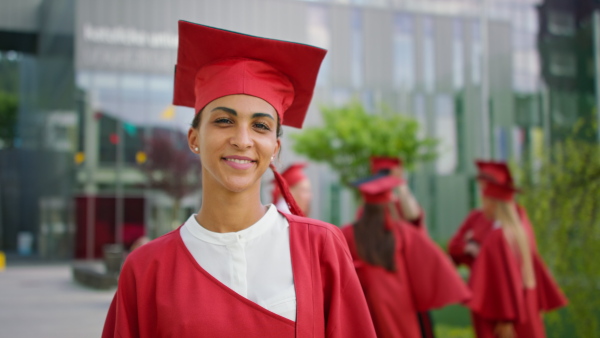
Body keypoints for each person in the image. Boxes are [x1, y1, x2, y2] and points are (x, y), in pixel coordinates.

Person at [102, 21, 376, 338]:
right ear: (194, 138)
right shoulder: (146, 268)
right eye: (223, 120)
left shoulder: (320, 247)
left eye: (260, 126)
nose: (242, 140)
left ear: (275, 146)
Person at [341, 174, 471, 338]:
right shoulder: (402, 232)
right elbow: (430, 262)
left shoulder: (348, 233)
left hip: (366, 302)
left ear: (364, 205)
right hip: (400, 302)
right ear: (389, 204)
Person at [467, 175, 568, 338]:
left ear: (494, 204)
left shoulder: (498, 237)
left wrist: (506, 318)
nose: (482, 207)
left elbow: (503, 282)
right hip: (527, 308)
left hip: (509, 319)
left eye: (484, 201)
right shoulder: (520, 232)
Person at [448, 161, 537, 269]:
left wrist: (478, 247)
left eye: (485, 188)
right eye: (481, 188)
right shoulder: (476, 217)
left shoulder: (517, 224)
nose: (482, 195)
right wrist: (469, 247)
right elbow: (453, 246)